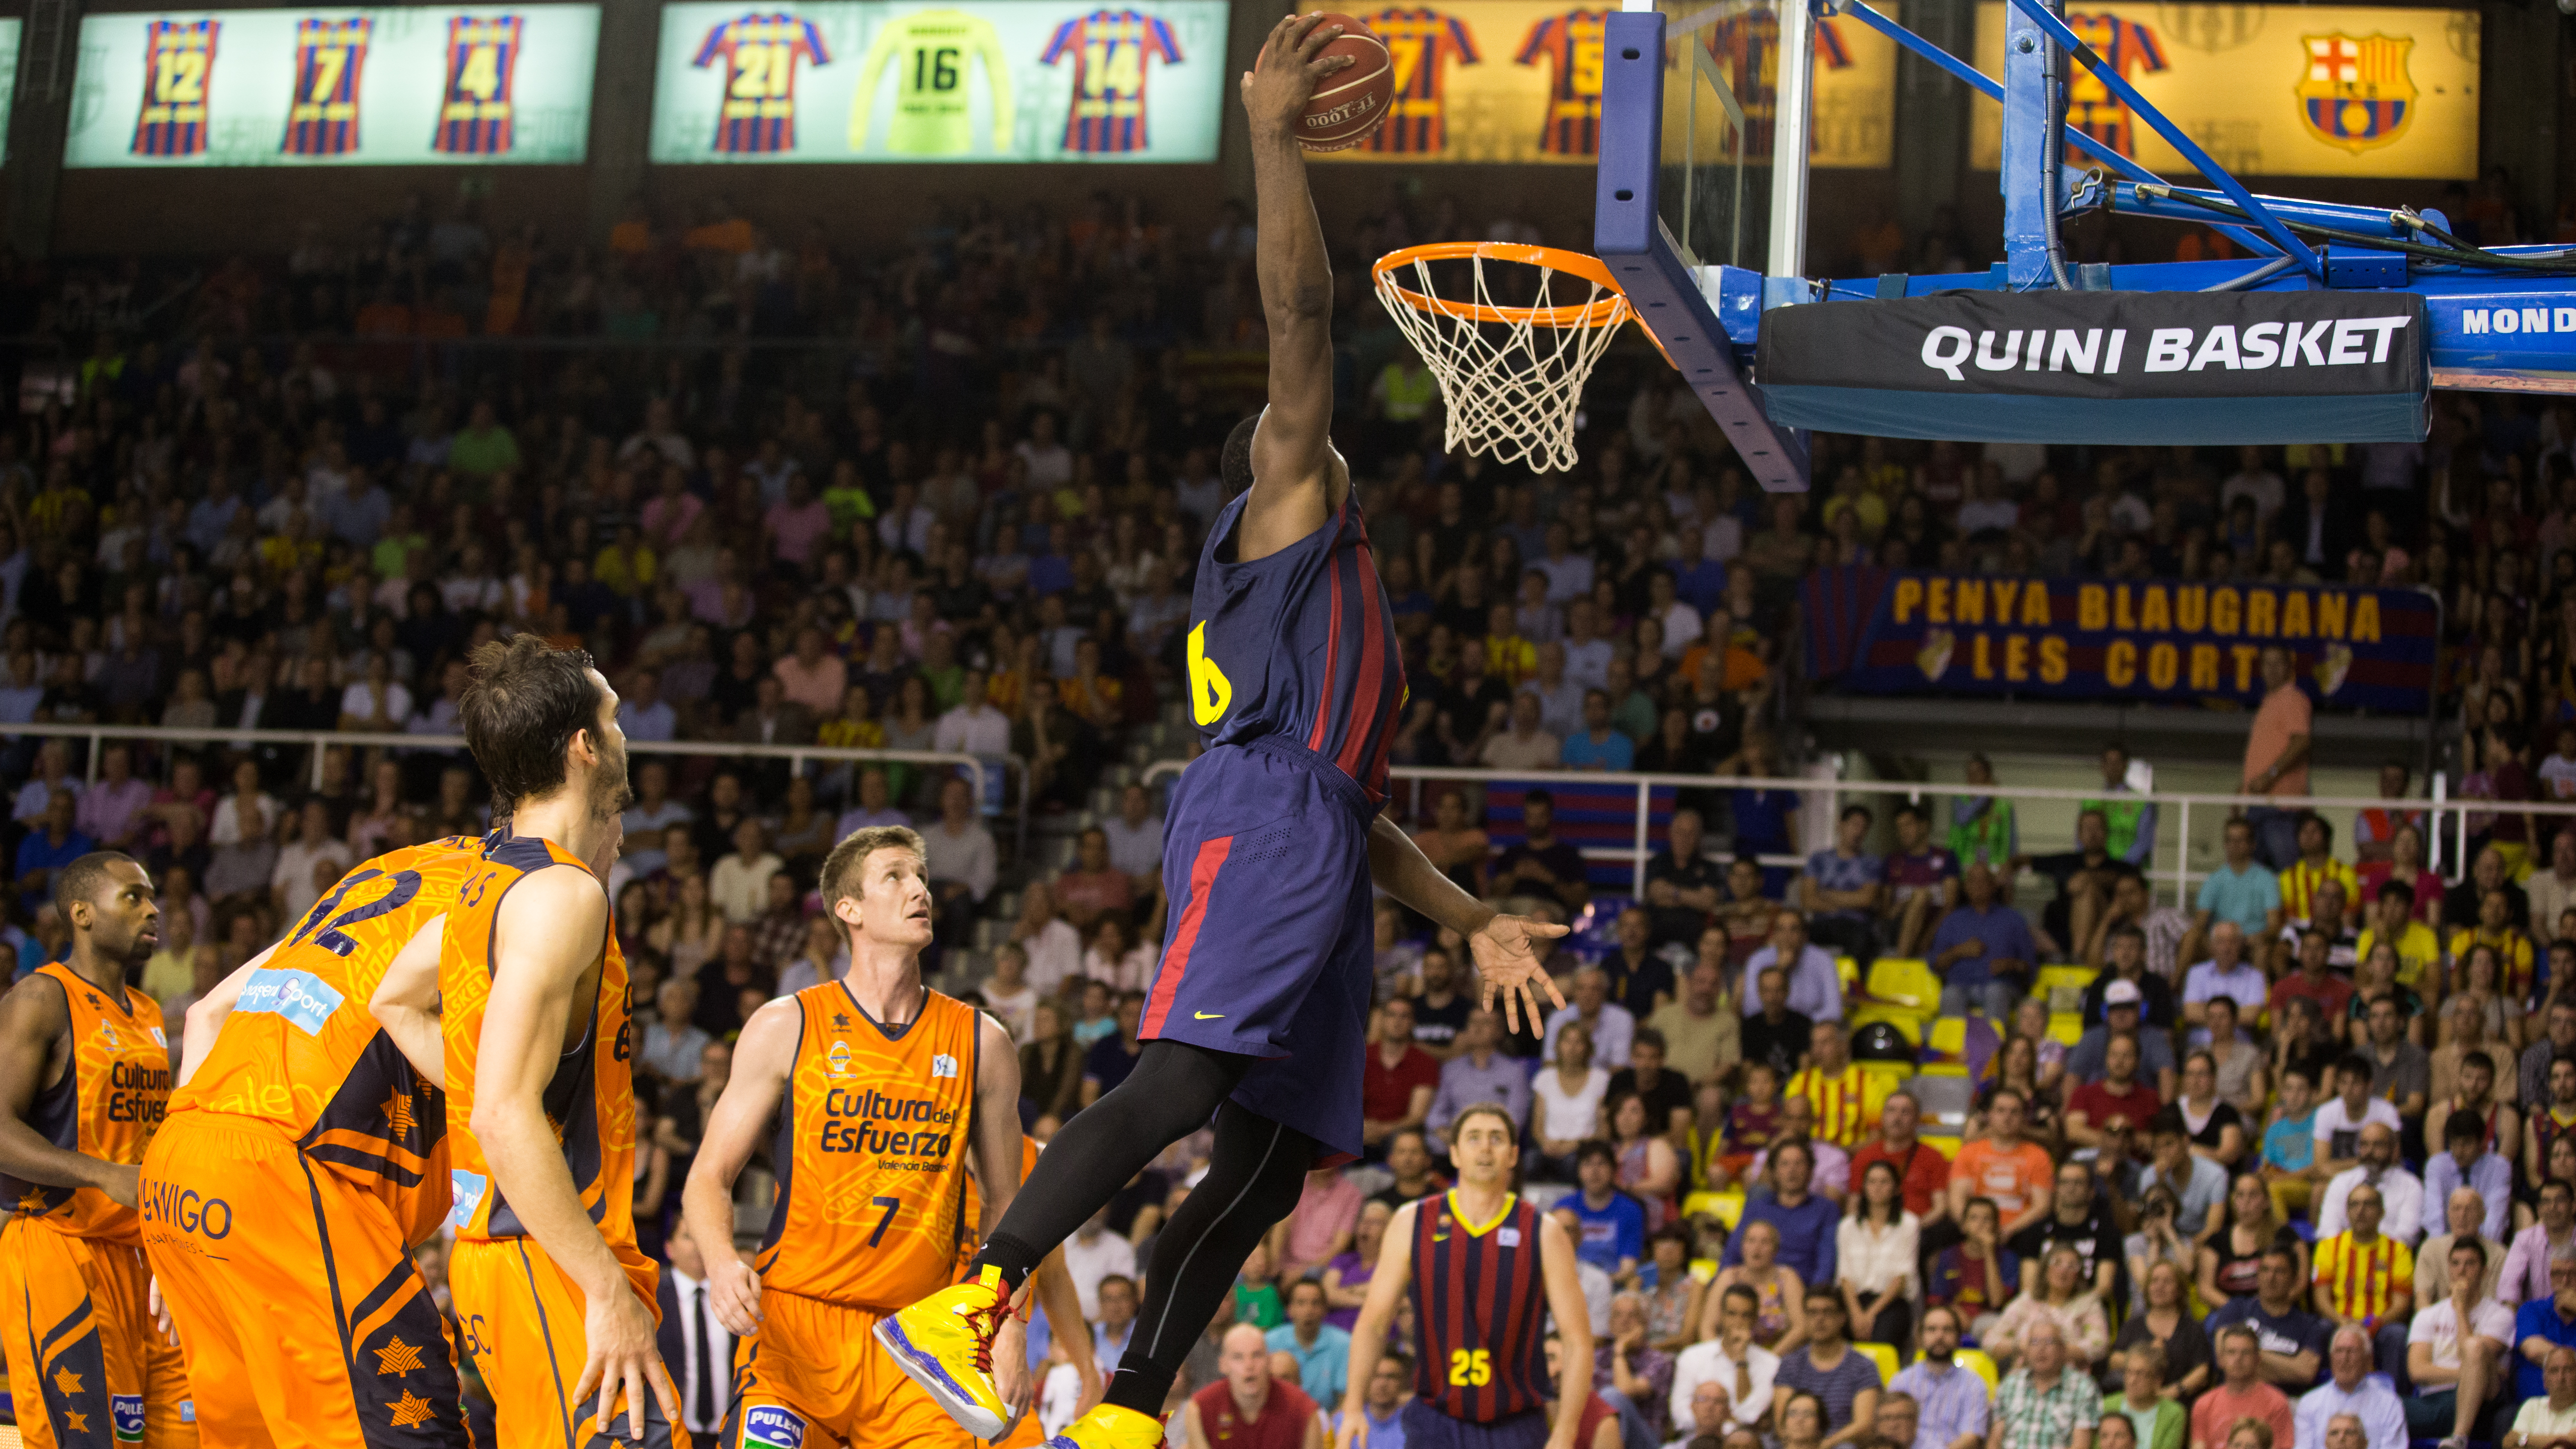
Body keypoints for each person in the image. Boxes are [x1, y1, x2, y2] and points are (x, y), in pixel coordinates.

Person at [881, 36, 1570, 1447]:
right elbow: (1302, 316)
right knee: (1184, 1081)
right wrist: (1275, 141)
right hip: (1261, 811)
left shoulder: (1339, 591)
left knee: (1265, 1166)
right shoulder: (1288, 493)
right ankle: (973, 1296)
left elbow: (1365, 820)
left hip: (1315, 823)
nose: (1301, 432)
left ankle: (1131, 1412)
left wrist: (1475, 917)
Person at [674, 823, 1049, 1448]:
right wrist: (719, 1262)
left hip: (919, 1343)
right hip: (797, 1333)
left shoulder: (984, 1042)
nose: (919, 889)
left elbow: (1007, 1209)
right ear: (848, 909)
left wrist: (1009, 1327)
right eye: (895, 877)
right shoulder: (786, 1025)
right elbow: (708, 1177)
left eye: (922, 877)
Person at [417, 640, 680, 1449]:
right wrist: (604, 1289)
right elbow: (499, 1111)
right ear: (583, 746)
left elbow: (398, 1003)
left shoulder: (480, 883)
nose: (625, 733)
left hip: (513, 1249)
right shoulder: (562, 894)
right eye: (613, 716)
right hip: (544, 1259)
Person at [138, 825, 478, 1449]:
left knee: (251, 1431)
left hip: (179, 1171)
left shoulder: (332, 920)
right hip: (277, 1167)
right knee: (408, 1418)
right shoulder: (495, 894)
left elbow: (202, 1013)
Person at [0, 853, 195, 1449]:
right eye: (132, 897)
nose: (152, 908)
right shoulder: (40, 997)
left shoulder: (150, 1014)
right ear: (82, 914)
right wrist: (102, 1174)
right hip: (61, 1248)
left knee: (181, 1436)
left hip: (143, 1255)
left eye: (152, 895)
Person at [1334, 1102, 1596, 1449]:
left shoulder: (1544, 1232)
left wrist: (1565, 1431)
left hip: (1516, 1422)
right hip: (1436, 1418)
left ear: (1514, 1155)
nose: (1485, 1148)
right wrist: (1353, 1407)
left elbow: (1577, 1340)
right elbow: (1374, 1323)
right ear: (1455, 1154)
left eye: (1496, 1138)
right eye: (1474, 1138)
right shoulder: (1411, 1222)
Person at [2404, 1237, 2512, 1449]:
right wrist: (2473, 1373)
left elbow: (2471, 1356)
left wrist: (2461, 1309)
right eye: (2455, 1263)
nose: (2461, 1270)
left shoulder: (2500, 1315)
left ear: (2484, 1272)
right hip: (2433, 1400)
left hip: (2482, 1403)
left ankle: (2459, 1438)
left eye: (2470, 1264)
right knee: (2388, 1408)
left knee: (2474, 1348)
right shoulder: (2428, 1315)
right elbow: (2417, 1371)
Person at [2309, 1181, 2413, 1383]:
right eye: (2354, 1205)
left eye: (2369, 1205)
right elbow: (2321, 1299)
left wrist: (2376, 1323)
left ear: (2382, 1212)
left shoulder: (2398, 1250)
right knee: (2320, 1329)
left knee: (2398, 1334)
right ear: (2347, 1212)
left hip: (2381, 1326)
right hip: (2339, 1323)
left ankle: (2396, 1400)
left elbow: (2401, 1304)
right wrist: (2342, 1322)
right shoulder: (2329, 1247)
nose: (2361, 1211)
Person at [2209, 1247, 2332, 1391]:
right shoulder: (2236, 1308)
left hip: (2286, 1403)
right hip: (2236, 1397)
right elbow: (2223, 1358)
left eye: (2279, 1271)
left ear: (2294, 1279)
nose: (2271, 1278)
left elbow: (2305, 1372)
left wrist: (2246, 1356)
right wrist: (2288, 1367)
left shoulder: (2310, 1326)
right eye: (2265, 1270)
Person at [1773, 1288, 1883, 1449]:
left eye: (1828, 1312)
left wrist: (1828, 1444)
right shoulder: (1791, 1364)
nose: (1820, 1319)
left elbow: (1864, 1425)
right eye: (1812, 1312)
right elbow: (1782, 1424)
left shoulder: (1863, 1367)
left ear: (1842, 1318)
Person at [1184, 1323, 1323, 1449]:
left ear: (1269, 1362)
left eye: (1257, 1355)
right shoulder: (1199, 1409)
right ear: (1223, 1365)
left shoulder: (1303, 1410)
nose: (1249, 1365)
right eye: (1238, 1357)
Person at [1722, 1139, 1839, 1288]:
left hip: (1804, 1292)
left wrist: (1814, 1299)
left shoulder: (1826, 1209)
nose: (1792, 1170)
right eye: (1785, 1164)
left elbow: (1826, 1263)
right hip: (1754, 1292)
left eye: (1799, 1164)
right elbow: (1733, 1254)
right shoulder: (1756, 1208)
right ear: (1774, 1172)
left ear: (1810, 1171)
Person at [1927, 863, 2034, 1018]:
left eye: (1983, 881)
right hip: (1961, 985)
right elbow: (1934, 964)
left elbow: (2030, 967)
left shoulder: (2013, 920)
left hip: (2001, 987)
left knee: (1995, 991)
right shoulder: (1953, 921)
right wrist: (1958, 951)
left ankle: (1992, 1042)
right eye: (1972, 881)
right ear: (1965, 887)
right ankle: (1953, 1042)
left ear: (1993, 886)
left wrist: (2011, 964)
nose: (1977, 886)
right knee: (1950, 994)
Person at [1670, 1285, 1778, 1436]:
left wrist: (1741, 1360)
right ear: (1721, 1316)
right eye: (1732, 1314)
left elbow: (1751, 1416)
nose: (1738, 1322)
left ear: (1755, 1319)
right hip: (1698, 1441)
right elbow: (1681, 1415)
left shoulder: (1771, 1364)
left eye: (1745, 1316)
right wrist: (1728, 1421)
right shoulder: (1692, 1356)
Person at [2242, 646, 2313, 871]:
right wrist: (2242, 789)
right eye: (2266, 663)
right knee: (2252, 878)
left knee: (2287, 876)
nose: (2271, 669)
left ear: (2289, 668)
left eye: (2278, 663)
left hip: (2280, 807)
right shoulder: (2269, 701)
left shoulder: (2291, 698)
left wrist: (2269, 776)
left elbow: (2301, 741)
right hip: (2259, 803)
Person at [1839, 1158, 1920, 1351]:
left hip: (1891, 1302)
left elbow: (1901, 1279)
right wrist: (1857, 1314)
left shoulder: (1909, 1224)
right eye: (1872, 1181)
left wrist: (1870, 1315)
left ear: (1896, 1188)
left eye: (1884, 1182)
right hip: (1854, 1301)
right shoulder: (1848, 1226)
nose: (1877, 1187)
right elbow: (1844, 1276)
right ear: (1864, 1187)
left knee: (1882, 1340)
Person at [1886, 1306, 1990, 1449]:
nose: (1939, 1336)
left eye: (1947, 1330)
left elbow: (1971, 1438)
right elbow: (1888, 1433)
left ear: (1958, 1338)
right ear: (1920, 1338)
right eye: (1932, 1330)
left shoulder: (1974, 1385)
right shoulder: (1901, 1381)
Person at [1992, 1319, 2100, 1449]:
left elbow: (2081, 1445)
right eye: (2034, 1342)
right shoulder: (2010, 1384)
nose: (2041, 1349)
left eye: (2049, 1342)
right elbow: (1995, 1441)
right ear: (2026, 1350)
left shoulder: (2083, 1387)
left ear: (2063, 1349)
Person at [2291, 1326, 2406, 1449]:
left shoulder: (2389, 1404)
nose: (2344, 1359)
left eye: (2352, 1351)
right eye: (2339, 1351)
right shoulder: (2309, 1403)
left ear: (2369, 1360)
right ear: (2331, 1359)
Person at [1852, 1092, 1952, 1229]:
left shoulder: (1933, 1157)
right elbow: (1853, 1206)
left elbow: (1941, 1208)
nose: (1897, 1118)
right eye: (1891, 1111)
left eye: (1905, 1112)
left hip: (1921, 1233)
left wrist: (1910, 1231)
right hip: (1873, 1235)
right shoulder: (1864, 1157)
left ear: (1917, 1119)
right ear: (1882, 1117)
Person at [2315, 1123, 2423, 1247]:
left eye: (2378, 1145)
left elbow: (2407, 1236)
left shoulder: (2410, 1186)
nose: (2370, 1152)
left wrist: (2369, 1250)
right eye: (2364, 1145)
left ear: (2394, 1149)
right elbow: (2327, 1232)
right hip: (2345, 1256)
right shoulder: (2341, 1182)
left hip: (2389, 1259)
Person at [1790, 1022, 1891, 1153]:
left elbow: (1877, 1136)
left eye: (1825, 1043)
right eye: (1815, 1043)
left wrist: (1837, 1155)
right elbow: (1790, 1130)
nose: (1817, 1050)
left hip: (1853, 1160)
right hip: (1807, 1160)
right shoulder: (1800, 1082)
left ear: (1843, 1046)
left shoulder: (1867, 1082)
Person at [2191, 1326, 2297, 1449]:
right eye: (2231, 1352)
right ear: (2221, 1359)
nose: (2238, 1359)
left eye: (2246, 1353)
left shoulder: (2277, 1403)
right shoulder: (2204, 1405)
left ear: (2258, 1359)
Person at [2424, 1108, 2515, 1245]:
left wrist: (2475, 1251)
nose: (2460, 1151)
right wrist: (2442, 1249)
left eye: (2467, 1143)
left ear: (2482, 1143)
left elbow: (2495, 1220)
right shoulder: (2437, 1166)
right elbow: (2434, 1218)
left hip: (2485, 1246)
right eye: (2455, 1143)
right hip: (2447, 1244)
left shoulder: (2499, 1167)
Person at [2514, 1249, 2576, 1400]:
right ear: (2550, 1277)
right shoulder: (2532, 1310)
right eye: (2558, 1274)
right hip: (2532, 1407)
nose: (2565, 1281)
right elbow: (2534, 1351)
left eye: (2573, 1274)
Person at [2102, 1343, 2185, 1449]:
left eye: (2140, 1374)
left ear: (2158, 1380)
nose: (2132, 1380)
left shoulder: (2174, 1413)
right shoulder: (2105, 1406)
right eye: (2129, 1372)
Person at [2505, 1343, 2576, 1449]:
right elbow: (2509, 1442)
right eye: (2554, 1371)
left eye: (2568, 1370)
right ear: (2545, 1381)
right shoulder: (2532, 1406)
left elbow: (2571, 1441)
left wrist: (2523, 1439)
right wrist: (2563, 1440)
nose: (2561, 1378)